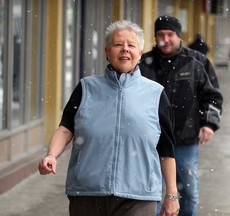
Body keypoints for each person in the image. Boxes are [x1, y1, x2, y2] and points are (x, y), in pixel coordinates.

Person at [38, 20, 180, 216]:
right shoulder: (86, 88)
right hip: (87, 193)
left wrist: (171, 194)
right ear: (106, 51)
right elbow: (65, 128)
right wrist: (51, 155)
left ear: (140, 53)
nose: (125, 50)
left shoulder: (155, 94)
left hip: (138, 196)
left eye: (131, 45)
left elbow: (166, 149)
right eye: (117, 44)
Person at [139, 15, 223, 216]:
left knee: (188, 192)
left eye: (170, 34)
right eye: (160, 34)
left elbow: (213, 96)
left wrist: (209, 124)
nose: (165, 39)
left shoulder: (197, 61)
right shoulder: (144, 63)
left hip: (185, 141)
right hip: (152, 142)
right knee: (153, 193)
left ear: (179, 36)